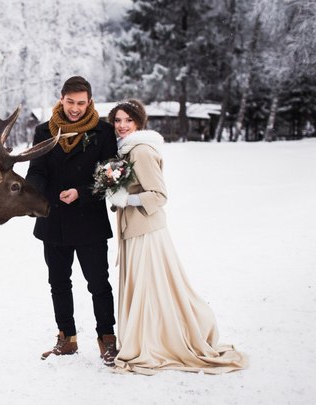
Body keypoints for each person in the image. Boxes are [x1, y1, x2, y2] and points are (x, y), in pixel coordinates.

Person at [106, 99, 248, 374]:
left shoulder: (142, 151)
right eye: (118, 120)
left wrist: (128, 198)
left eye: (128, 120)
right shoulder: (125, 150)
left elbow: (159, 195)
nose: (122, 126)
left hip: (146, 231)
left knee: (151, 286)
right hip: (134, 230)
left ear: (139, 123)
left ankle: (158, 339)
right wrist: (115, 195)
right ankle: (150, 335)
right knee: (146, 287)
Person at [26, 76, 118, 365]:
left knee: (98, 283)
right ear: (61, 99)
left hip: (89, 219)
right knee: (58, 282)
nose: (75, 108)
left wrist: (81, 192)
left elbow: (109, 175)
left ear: (89, 101)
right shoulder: (44, 130)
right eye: (70, 102)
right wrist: (34, 192)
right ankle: (67, 338)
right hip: (53, 219)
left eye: (81, 103)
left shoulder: (102, 132)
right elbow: (37, 169)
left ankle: (107, 338)